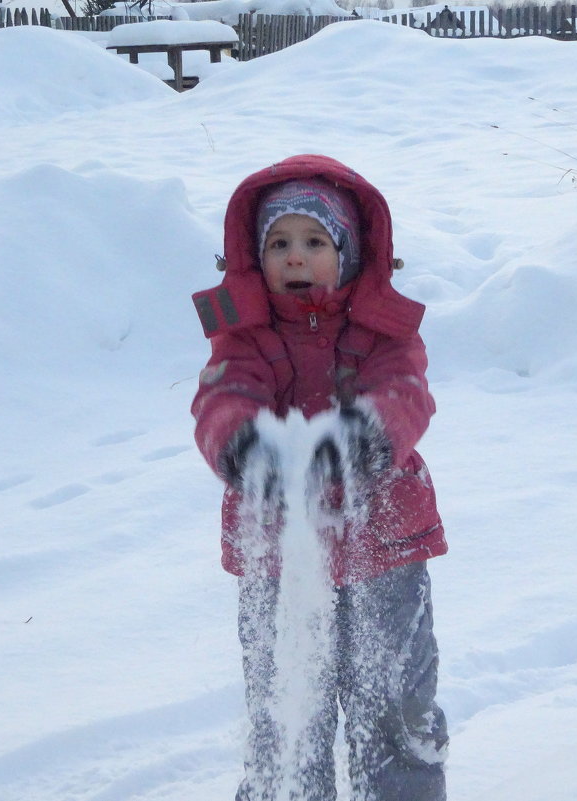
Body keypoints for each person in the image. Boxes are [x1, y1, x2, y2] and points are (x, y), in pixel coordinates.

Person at [191, 154, 449, 801]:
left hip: (383, 545)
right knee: (287, 709)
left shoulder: (381, 330)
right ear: (254, 256)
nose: (294, 257)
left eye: (313, 241)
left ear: (350, 251)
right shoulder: (242, 336)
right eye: (278, 243)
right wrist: (244, 447)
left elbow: (405, 393)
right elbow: (222, 398)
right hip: (279, 554)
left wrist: (364, 439)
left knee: (391, 706)